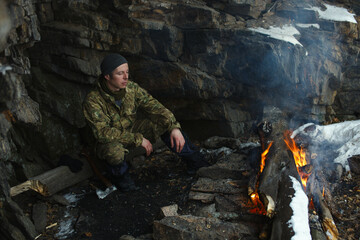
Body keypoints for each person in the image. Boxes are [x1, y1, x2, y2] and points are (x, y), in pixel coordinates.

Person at [83, 53, 209, 191]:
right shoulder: (93, 100)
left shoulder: (131, 88)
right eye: (120, 73)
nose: (126, 77)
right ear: (107, 76)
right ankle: (122, 180)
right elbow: (103, 133)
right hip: (108, 140)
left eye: (127, 72)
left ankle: (196, 161)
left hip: (131, 128)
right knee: (114, 151)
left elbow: (155, 107)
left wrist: (174, 127)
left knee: (164, 123)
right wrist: (138, 139)